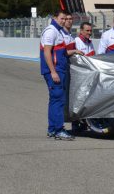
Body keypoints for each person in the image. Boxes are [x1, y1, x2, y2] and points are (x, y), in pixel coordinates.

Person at [40, 10, 80, 140]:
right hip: (55, 71)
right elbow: (47, 52)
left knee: (55, 100)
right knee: (58, 100)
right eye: (61, 18)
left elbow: (61, 52)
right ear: (55, 18)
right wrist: (53, 71)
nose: (63, 21)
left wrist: (74, 51)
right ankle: (58, 130)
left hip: (60, 69)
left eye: (65, 19)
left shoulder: (58, 31)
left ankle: (52, 129)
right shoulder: (51, 31)